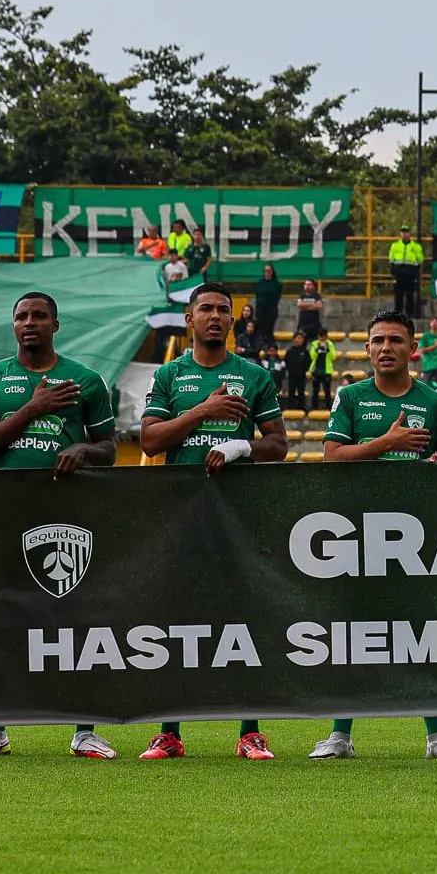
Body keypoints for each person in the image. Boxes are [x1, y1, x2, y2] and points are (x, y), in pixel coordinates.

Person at [0, 293, 120, 759]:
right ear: (13, 326)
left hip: (68, 514)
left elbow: (108, 446)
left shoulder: (86, 379)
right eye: (21, 316)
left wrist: (84, 451)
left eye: (39, 316)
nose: (29, 323)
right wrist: (33, 407)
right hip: (4, 511)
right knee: (1, 617)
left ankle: (85, 729)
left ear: (55, 324)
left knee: (76, 617)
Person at [138, 282, 289, 760]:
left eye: (224, 309)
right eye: (205, 309)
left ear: (233, 320)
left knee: (244, 620)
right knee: (176, 621)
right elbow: (149, 441)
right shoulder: (169, 376)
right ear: (189, 319)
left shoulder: (254, 376)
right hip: (181, 512)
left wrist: (240, 445)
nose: (216, 316)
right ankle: (169, 732)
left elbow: (279, 445)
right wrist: (204, 411)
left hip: (239, 513)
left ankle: (250, 731)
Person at [309, 311, 437, 762]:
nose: (385, 348)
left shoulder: (434, 403)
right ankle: (339, 734)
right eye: (377, 340)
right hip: (356, 533)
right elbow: (333, 458)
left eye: (395, 340)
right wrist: (386, 442)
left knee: (422, 633)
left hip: (416, 538)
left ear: (412, 348)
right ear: (366, 349)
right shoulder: (352, 397)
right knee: (353, 632)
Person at [388, 227, 424, 316]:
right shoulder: (395, 245)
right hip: (399, 272)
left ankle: (409, 314)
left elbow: (420, 259)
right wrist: (393, 273)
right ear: (400, 234)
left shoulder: (415, 246)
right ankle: (398, 313)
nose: (404, 234)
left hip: (410, 272)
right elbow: (391, 259)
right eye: (402, 232)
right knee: (398, 295)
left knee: (410, 295)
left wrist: (416, 272)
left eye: (406, 232)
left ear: (409, 234)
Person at [309, 330, 337, 411]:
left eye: (324, 336)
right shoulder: (314, 343)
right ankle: (314, 407)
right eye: (321, 336)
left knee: (327, 391)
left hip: (326, 371)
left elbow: (333, 357)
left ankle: (328, 407)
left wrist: (327, 348)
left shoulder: (330, 344)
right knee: (315, 391)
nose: (322, 338)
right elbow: (312, 356)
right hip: (316, 370)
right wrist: (317, 348)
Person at [282, 332, 312, 410]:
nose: (299, 340)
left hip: (301, 376)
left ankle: (301, 407)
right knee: (291, 392)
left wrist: (304, 370)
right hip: (292, 376)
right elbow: (286, 362)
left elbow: (309, 362)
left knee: (301, 393)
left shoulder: (305, 351)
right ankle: (291, 407)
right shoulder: (290, 351)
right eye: (298, 338)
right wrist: (291, 370)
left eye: (301, 338)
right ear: (294, 339)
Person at [254, 264, 283, 343]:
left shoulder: (277, 284)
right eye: (266, 271)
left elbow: (277, 296)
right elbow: (257, 295)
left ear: (272, 272)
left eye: (269, 271)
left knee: (269, 329)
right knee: (260, 328)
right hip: (260, 309)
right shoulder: (260, 282)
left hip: (271, 309)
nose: (267, 272)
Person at [418, 316, 437, 387]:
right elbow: (421, 350)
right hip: (428, 365)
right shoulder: (426, 336)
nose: (434, 323)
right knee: (425, 387)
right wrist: (436, 346)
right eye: (432, 322)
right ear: (430, 324)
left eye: (436, 322)